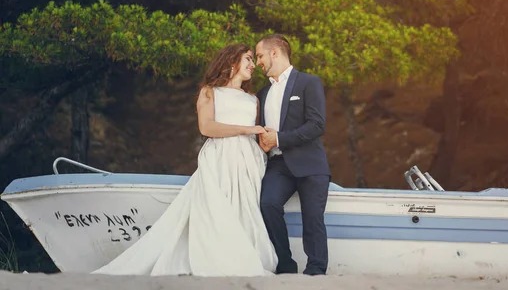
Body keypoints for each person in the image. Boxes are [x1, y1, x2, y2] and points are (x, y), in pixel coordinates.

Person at [93, 44, 278, 276]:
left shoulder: (253, 100)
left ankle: (247, 255)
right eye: (248, 59)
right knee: (219, 208)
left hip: (248, 161)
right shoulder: (210, 91)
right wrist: (248, 128)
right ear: (232, 61)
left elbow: (259, 133)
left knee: (245, 208)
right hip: (219, 157)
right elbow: (207, 127)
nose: (253, 65)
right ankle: (221, 258)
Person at [255, 34, 330, 276]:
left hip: (310, 163)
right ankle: (285, 264)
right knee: (268, 204)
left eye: (260, 56)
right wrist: (264, 142)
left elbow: (317, 124)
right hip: (278, 165)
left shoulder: (309, 82)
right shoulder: (262, 94)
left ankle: (316, 270)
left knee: (313, 217)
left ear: (274, 53)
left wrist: (279, 138)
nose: (258, 62)